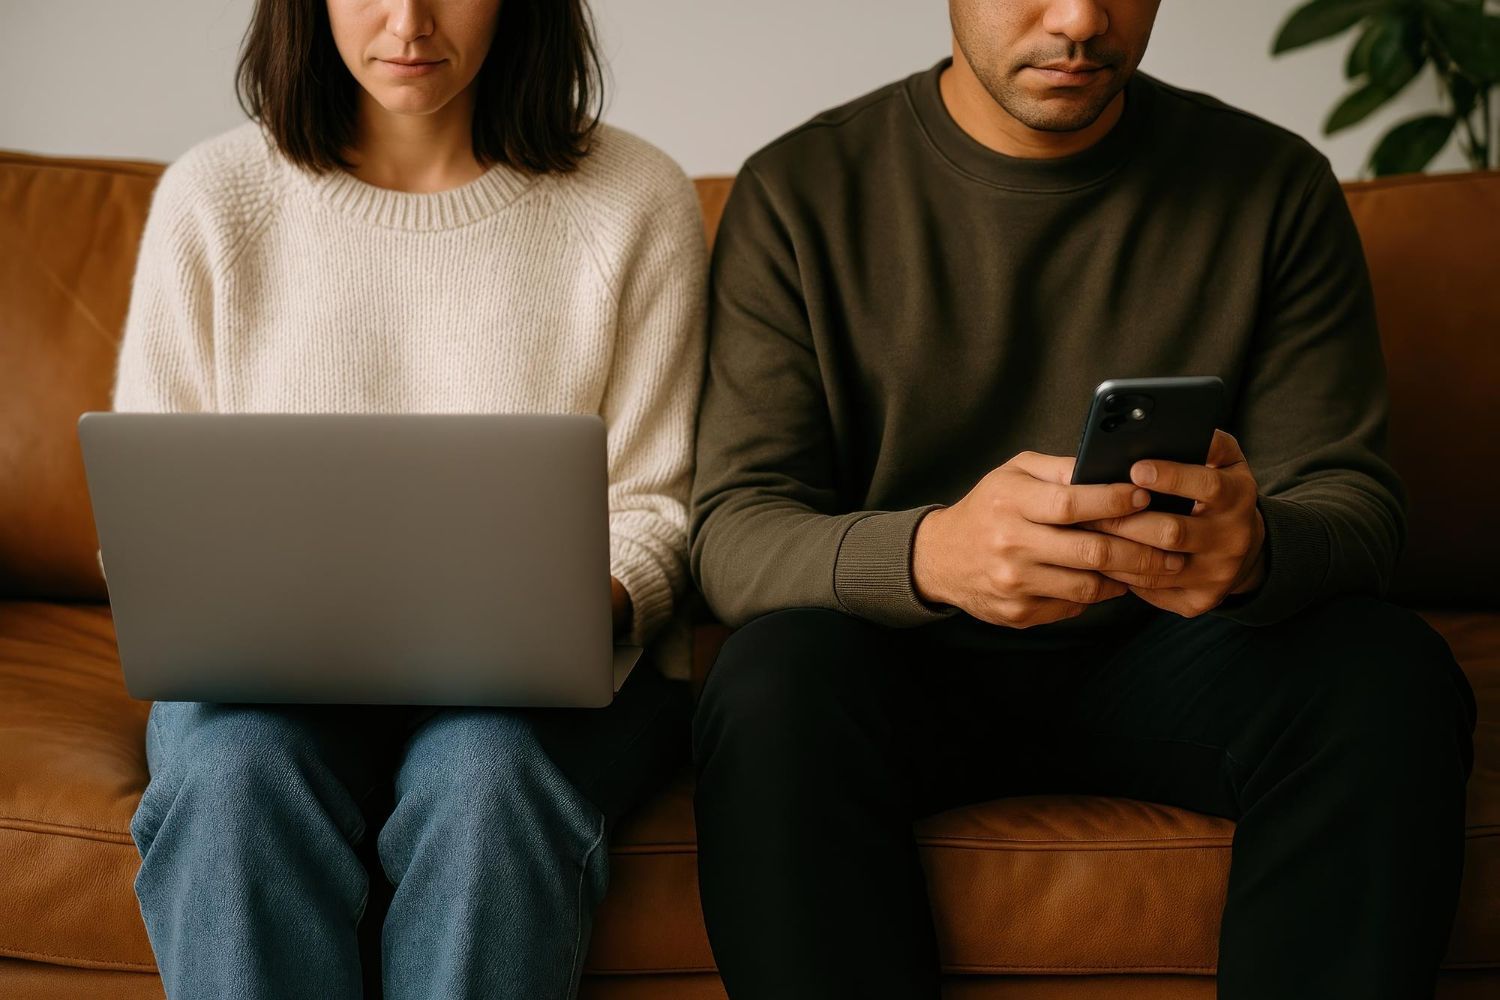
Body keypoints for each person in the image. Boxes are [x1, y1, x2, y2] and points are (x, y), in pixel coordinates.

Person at [688, 2, 1478, 998]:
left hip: (1178, 656)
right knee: (767, 680)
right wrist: (934, 554)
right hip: (903, 662)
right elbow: (733, 527)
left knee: (1388, 670)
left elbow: (1356, 498)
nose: (1079, 19)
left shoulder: (1271, 186)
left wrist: (1260, 544)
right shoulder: (801, 190)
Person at [113, 1, 706, 997]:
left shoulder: (635, 199)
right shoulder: (214, 199)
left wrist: (571, 608)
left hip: (537, 692)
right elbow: (149, 510)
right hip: (265, 684)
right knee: (233, 779)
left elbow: (661, 503)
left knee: (485, 780)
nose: (408, 18)